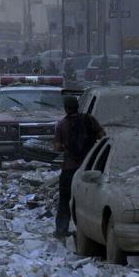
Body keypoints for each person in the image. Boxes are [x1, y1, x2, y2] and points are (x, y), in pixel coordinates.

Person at [54, 94, 104, 239]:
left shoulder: (62, 125)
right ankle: (89, 231)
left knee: (65, 200)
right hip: (89, 167)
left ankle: (61, 230)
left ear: (66, 109)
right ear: (77, 106)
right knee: (88, 201)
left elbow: (57, 147)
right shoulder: (89, 119)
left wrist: (66, 146)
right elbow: (102, 135)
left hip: (70, 168)